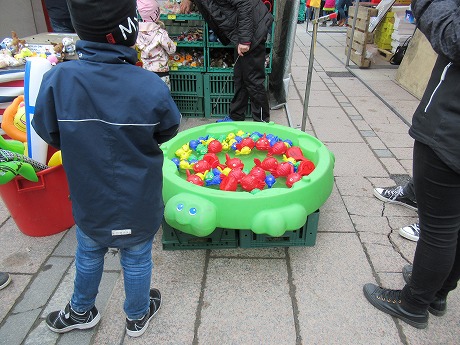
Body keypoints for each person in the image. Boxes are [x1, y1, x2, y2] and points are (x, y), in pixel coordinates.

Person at [32, 0, 181, 338]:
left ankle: (81, 310)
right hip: (138, 197)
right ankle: (137, 315)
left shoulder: (59, 80)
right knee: (138, 257)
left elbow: (48, 131)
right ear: (130, 29)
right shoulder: (149, 85)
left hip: (90, 195)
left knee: (88, 251)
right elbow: (168, 129)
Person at [363, 0, 460, 329]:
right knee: (454, 226)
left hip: (450, 128)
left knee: (439, 228)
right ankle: (437, 291)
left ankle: (413, 302)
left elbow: (454, 37)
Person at [180, 0, 273, 122]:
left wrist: (245, 40)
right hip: (241, 30)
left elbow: (245, 4)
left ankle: (262, 122)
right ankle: (236, 117)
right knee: (240, 77)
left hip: (252, 29)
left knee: (253, 79)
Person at [136, 0, 176, 89]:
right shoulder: (161, 33)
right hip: (161, 73)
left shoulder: (136, 33)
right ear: (156, 14)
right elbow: (172, 50)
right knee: (163, 97)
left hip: (144, 71)